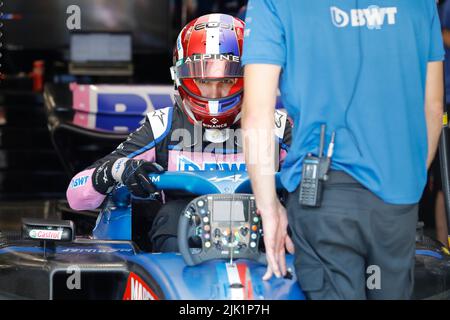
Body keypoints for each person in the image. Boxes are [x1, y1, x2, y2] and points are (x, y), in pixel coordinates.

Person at [241, 0, 445, 299]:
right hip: (397, 196)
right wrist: (408, 179)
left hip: (323, 196)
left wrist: (268, 207)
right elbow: (434, 106)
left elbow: (257, 113)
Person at [66, 13, 291, 252]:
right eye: (203, 81)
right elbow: (76, 196)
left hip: (264, 244)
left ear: (249, 77)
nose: (214, 93)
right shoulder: (162, 125)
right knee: (172, 216)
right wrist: (117, 170)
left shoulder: (275, 126)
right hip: (179, 252)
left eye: (226, 80)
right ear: (180, 77)